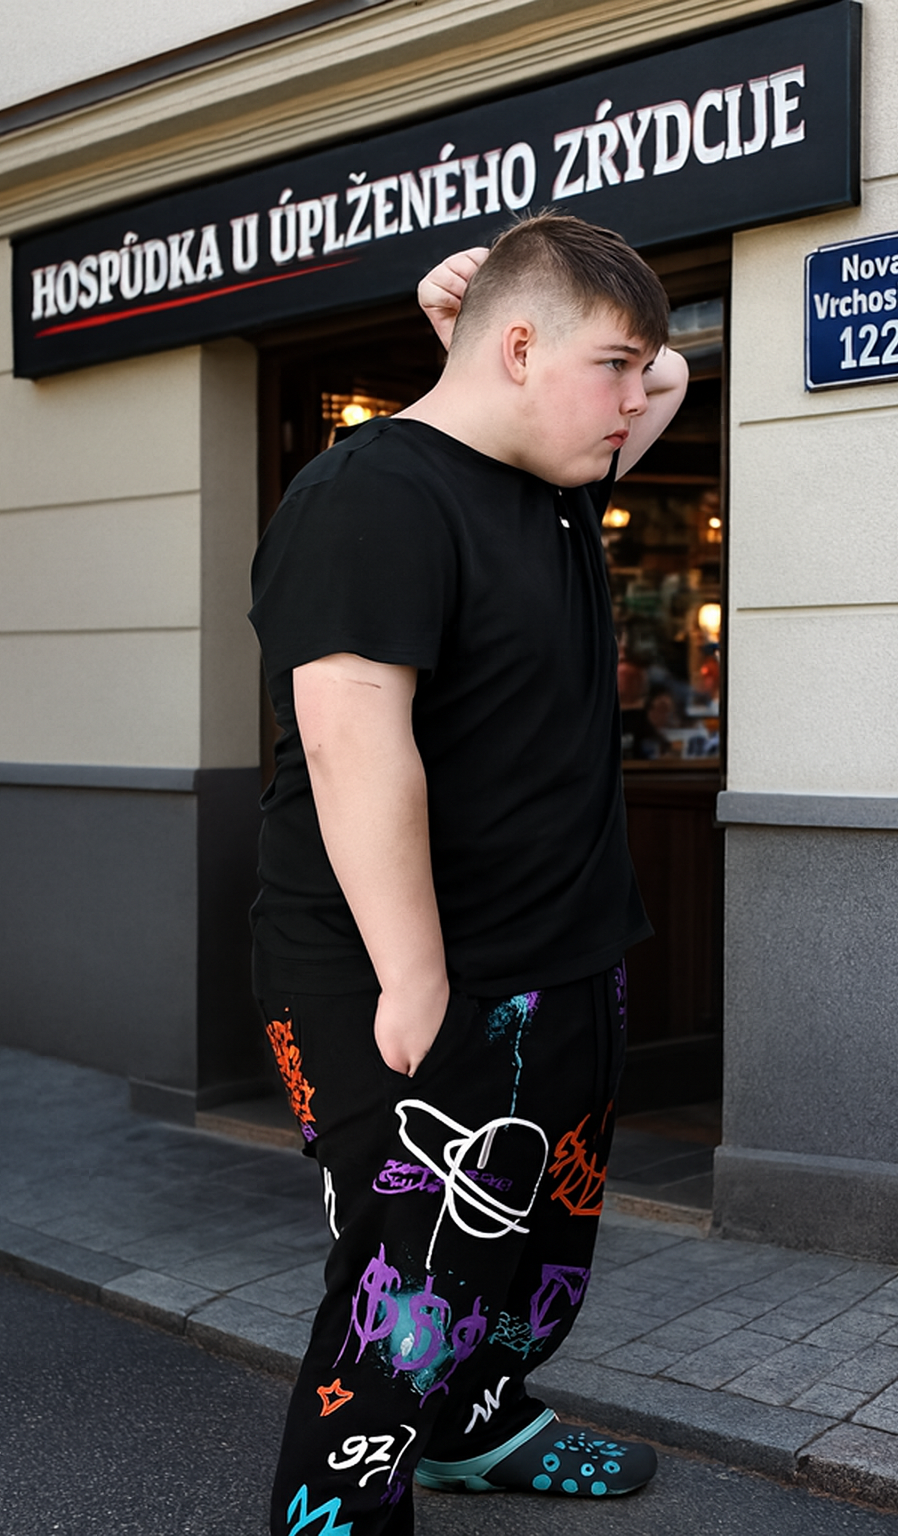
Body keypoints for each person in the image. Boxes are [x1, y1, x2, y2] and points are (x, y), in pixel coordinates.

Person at [248, 212, 689, 1536]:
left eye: (636, 372)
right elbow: (353, 744)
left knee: (533, 1253)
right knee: (411, 1292)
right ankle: (337, 1518)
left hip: (563, 956)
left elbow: (667, 373)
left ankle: (476, 1431)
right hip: (407, 971)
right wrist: (413, 975)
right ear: (520, 350)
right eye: (611, 367)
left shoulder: (555, 474)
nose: (639, 398)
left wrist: (509, 327)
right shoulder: (370, 495)